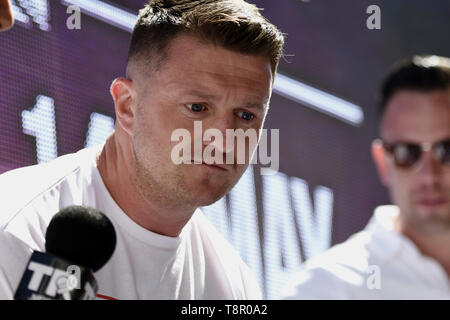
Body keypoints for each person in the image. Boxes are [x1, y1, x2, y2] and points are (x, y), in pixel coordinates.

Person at [0, 0, 284, 300]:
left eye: (246, 116)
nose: (225, 140)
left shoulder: (234, 286)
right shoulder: (17, 229)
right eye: (197, 108)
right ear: (128, 106)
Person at [282, 55, 450, 299]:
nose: (429, 175)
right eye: (406, 153)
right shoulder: (329, 287)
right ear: (383, 162)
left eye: (446, 150)